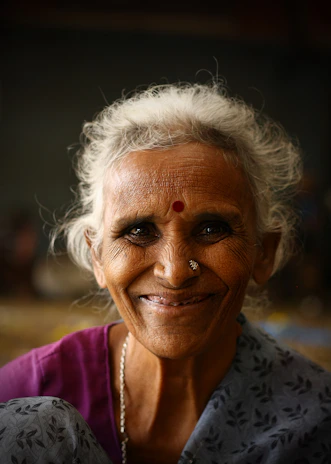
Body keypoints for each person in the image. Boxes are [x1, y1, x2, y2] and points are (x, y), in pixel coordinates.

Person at [0, 81, 330, 464]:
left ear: (264, 254)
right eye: (138, 231)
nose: (175, 272)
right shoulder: (24, 392)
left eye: (211, 229)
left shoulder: (314, 424)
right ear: (97, 257)